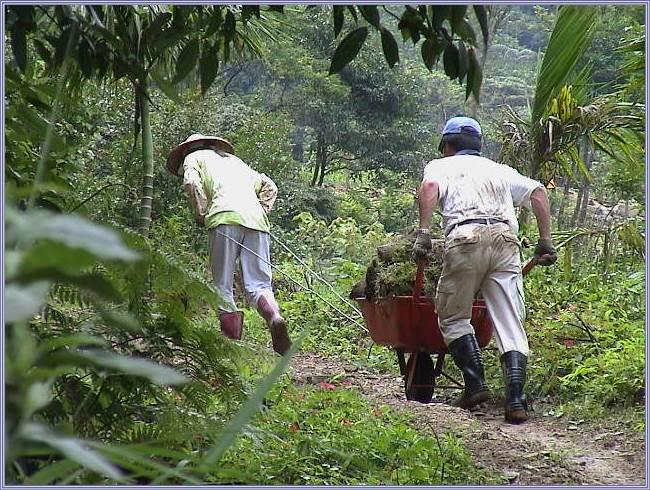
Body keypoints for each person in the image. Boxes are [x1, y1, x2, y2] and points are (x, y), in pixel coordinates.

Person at [413, 116, 557, 423]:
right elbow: (538, 193)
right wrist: (545, 241)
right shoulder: (499, 169)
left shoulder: (441, 166)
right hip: (506, 241)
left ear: (448, 145)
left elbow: (428, 187)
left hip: (465, 238)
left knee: (452, 315)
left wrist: (424, 232)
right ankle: (515, 401)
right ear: (478, 145)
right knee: (510, 322)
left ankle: (475, 384)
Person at [167, 133, 291, 355]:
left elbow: (192, 182)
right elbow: (270, 186)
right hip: (256, 222)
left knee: (222, 286)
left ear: (187, 149)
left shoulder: (193, 158)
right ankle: (274, 317)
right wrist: (260, 210)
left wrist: (201, 213)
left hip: (222, 218)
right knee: (259, 284)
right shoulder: (236, 162)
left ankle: (231, 349)